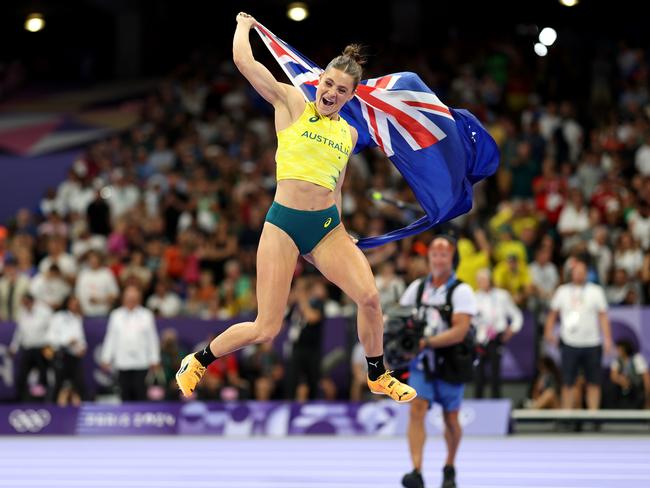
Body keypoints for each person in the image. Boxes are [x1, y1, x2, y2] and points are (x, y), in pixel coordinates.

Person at [175, 11, 415, 404]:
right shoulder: (289, 101)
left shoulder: (349, 133)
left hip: (327, 229)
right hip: (283, 225)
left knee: (370, 299)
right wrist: (243, 26)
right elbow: (243, 61)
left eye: (342, 90)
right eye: (329, 83)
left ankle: (377, 374)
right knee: (266, 328)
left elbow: (336, 183)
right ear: (319, 80)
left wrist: (341, 225)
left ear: (350, 96)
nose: (332, 92)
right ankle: (199, 360)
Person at [398, 236, 477, 488]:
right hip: (422, 363)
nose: (438, 257)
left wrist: (427, 342)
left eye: (444, 253)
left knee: (451, 418)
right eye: (435, 252)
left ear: (452, 257)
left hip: (450, 361)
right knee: (416, 410)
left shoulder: (461, 291)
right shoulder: (417, 289)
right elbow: (399, 318)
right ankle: (416, 470)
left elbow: (460, 331)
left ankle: (450, 464)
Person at [544, 257, 612, 410]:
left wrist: (607, 339)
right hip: (569, 342)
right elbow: (552, 314)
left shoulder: (596, 291)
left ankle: (593, 415)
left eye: (582, 272)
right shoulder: (562, 291)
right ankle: (567, 416)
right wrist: (548, 332)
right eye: (577, 272)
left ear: (586, 274)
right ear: (571, 273)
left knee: (593, 382)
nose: (580, 275)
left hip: (592, 342)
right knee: (567, 382)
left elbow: (603, 316)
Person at [100, 285, 161, 402]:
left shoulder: (146, 315)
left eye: (134, 297)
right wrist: (106, 357)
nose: (131, 300)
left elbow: (152, 338)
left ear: (139, 299)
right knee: (124, 394)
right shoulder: (116, 315)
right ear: (123, 298)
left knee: (140, 394)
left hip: (141, 362)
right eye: (128, 297)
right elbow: (111, 338)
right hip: (122, 362)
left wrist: (155, 358)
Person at [474, 268, 523, 399]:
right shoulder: (474, 297)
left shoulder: (502, 296)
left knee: (496, 374)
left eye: (484, 280)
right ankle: (477, 403)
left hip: (496, 338)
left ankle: (497, 405)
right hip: (480, 340)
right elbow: (471, 320)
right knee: (479, 375)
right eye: (479, 280)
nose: (481, 283)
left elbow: (517, 315)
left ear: (490, 280)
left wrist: (512, 329)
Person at [44, 295, 86, 406]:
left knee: (78, 384)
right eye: (73, 303)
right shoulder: (58, 317)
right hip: (60, 355)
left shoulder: (77, 318)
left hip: (74, 356)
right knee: (57, 385)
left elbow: (80, 338)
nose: (75, 306)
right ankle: (53, 412)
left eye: (77, 303)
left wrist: (82, 347)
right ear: (67, 303)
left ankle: (80, 412)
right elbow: (50, 338)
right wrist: (66, 341)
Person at [9, 294, 53, 401]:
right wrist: (14, 347)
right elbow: (19, 332)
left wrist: (49, 344)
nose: (25, 305)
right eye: (23, 303)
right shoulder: (22, 313)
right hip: (27, 349)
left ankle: (44, 400)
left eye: (26, 302)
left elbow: (51, 329)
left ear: (32, 301)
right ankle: (22, 399)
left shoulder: (44, 312)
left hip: (41, 348)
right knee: (22, 376)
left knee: (43, 375)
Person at [609, 340, 650, 409]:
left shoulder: (637, 358)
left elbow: (646, 377)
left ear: (625, 349)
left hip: (636, 389)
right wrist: (621, 380)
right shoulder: (617, 360)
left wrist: (647, 394)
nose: (617, 351)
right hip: (622, 388)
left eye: (619, 349)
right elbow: (613, 376)